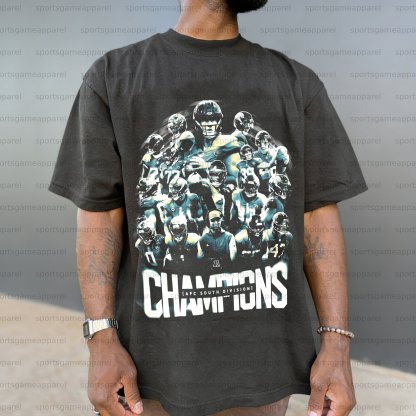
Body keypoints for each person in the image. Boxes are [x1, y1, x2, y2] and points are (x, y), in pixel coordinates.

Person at [48, 0, 368, 415]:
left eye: (216, 122)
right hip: (151, 370)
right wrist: (101, 340)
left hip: (263, 370)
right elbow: (100, 216)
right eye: (205, 122)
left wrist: (337, 346)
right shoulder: (114, 77)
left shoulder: (296, 84)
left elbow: (317, 217)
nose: (211, 127)